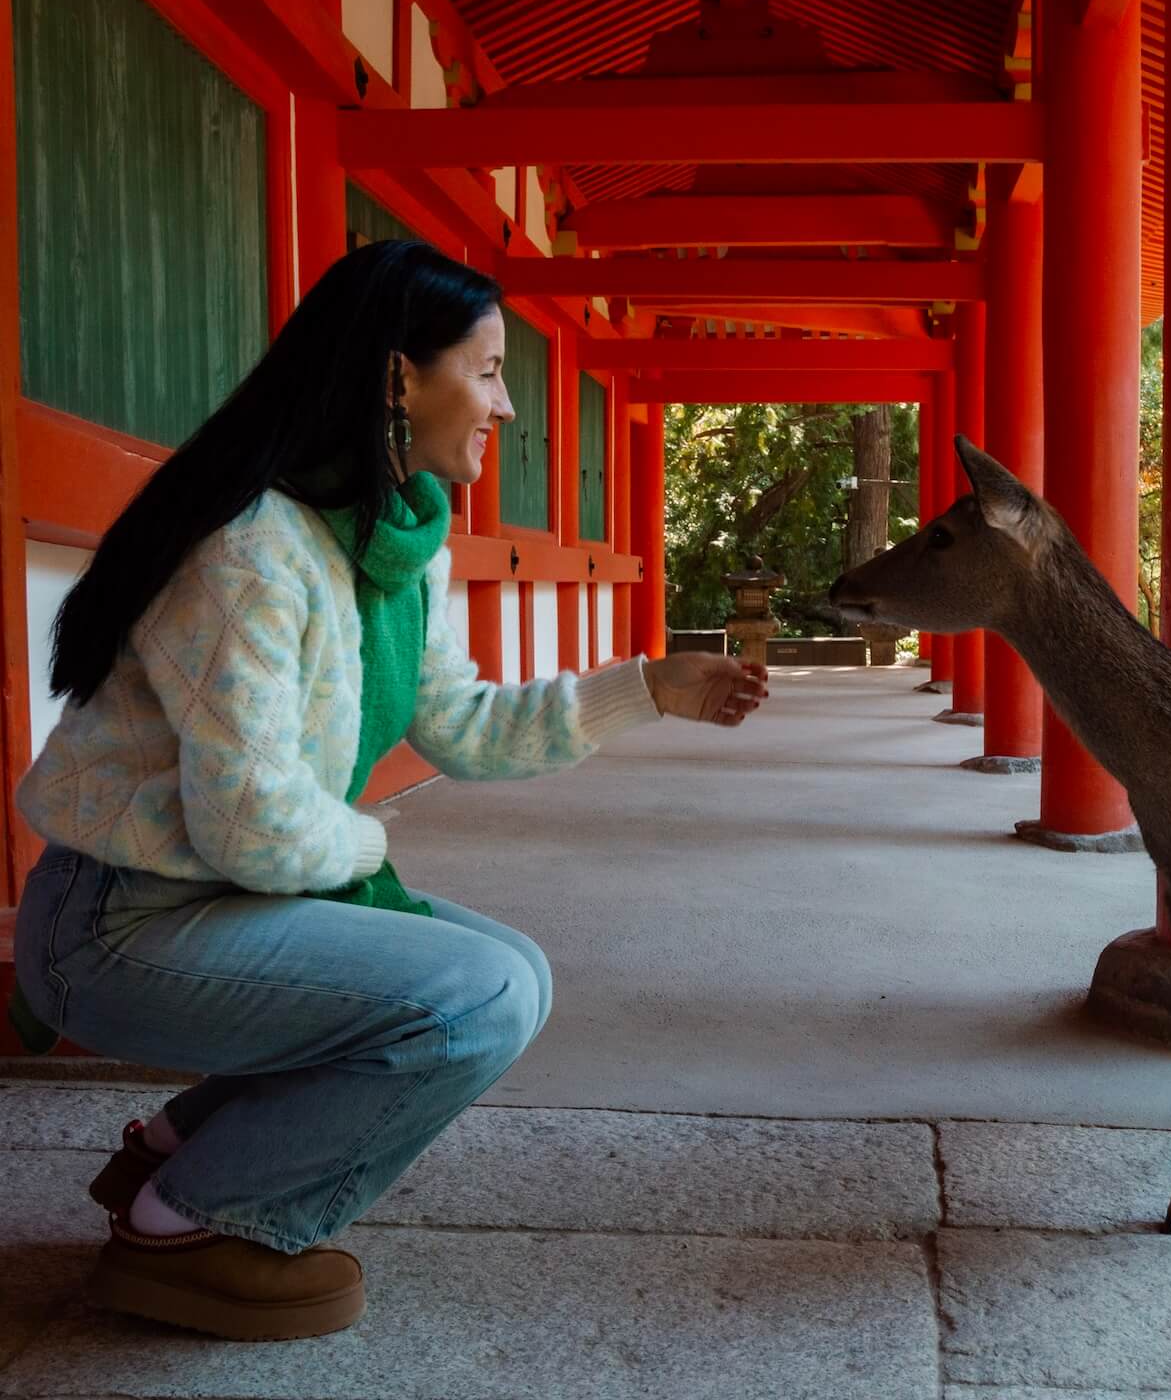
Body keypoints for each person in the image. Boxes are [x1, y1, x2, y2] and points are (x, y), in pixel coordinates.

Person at [10, 240, 768, 1342]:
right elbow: (255, 822)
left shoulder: (400, 539)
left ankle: (172, 1159)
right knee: (471, 998)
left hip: (215, 900)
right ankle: (187, 1227)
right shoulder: (250, 551)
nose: (506, 405)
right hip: (114, 928)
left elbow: (462, 727)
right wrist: (368, 852)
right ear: (398, 378)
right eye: (491, 369)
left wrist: (646, 689)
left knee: (517, 975)